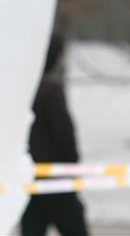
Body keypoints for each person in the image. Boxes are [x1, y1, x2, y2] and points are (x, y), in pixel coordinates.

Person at [22, 32, 90, 236]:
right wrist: (72, 163)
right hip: (57, 179)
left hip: (29, 176)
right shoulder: (51, 89)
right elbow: (64, 133)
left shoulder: (23, 87)